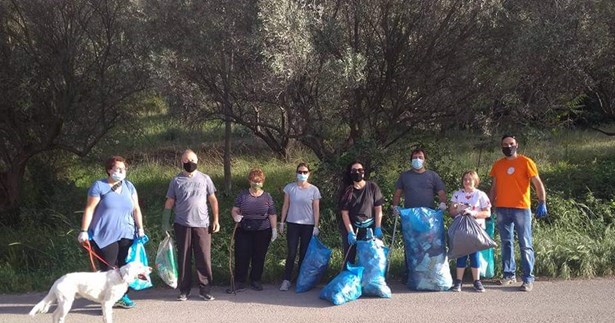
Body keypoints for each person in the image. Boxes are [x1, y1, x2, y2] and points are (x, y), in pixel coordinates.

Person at [78, 155, 145, 309]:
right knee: (108, 270)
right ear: (109, 170)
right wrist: (84, 231)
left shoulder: (129, 186)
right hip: (104, 235)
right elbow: (89, 209)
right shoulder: (99, 186)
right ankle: (106, 301)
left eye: (123, 168)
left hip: (127, 233)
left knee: (125, 268)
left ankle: (122, 296)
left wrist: (140, 228)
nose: (121, 171)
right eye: (117, 169)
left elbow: (136, 209)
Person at [489, 134, 547, 292]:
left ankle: (528, 279)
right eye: (505, 145)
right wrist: (490, 205)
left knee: (525, 244)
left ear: (516, 145)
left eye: (511, 144)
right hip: (501, 207)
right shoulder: (498, 165)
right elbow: (494, 187)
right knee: (506, 242)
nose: (508, 147)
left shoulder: (526, 162)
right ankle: (509, 275)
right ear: (501, 147)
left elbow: (537, 183)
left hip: (521, 208)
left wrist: (542, 201)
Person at [162, 149, 220, 301]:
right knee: (184, 258)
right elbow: (169, 202)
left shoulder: (205, 179)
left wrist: (216, 220)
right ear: (182, 162)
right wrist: (165, 222)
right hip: (182, 224)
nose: (190, 164)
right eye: (186, 161)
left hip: (202, 224)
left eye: (192, 160)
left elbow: (213, 199)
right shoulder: (176, 181)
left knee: (203, 257)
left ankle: (205, 289)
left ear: (197, 161)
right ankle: (184, 290)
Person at [391, 148, 447, 280]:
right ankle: (410, 273)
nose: (417, 160)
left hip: (429, 218)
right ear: (411, 160)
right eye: (415, 157)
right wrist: (395, 206)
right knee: (410, 244)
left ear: (424, 159)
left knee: (428, 245)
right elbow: (398, 193)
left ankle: (429, 273)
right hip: (410, 217)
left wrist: (443, 204)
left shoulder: (432, 176)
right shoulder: (405, 176)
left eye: (420, 157)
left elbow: (441, 193)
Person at [228, 167, 278, 293]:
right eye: (254, 181)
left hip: (263, 230)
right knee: (241, 256)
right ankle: (240, 281)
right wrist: (236, 216)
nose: (256, 184)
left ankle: (256, 280)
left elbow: (272, 214)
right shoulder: (243, 195)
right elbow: (234, 209)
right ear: (249, 181)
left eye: (259, 181)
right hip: (244, 229)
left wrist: (274, 229)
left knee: (259, 256)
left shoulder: (267, 197)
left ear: (263, 182)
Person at [278, 163, 322, 291]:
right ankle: (286, 279)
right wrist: (282, 222)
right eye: (300, 172)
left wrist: (316, 225)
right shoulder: (290, 188)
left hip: (308, 225)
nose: (302, 174)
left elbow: (316, 209)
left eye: (305, 172)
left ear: (309, 173)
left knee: (304, 253)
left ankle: (301, 280)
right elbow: (285, 205)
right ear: (296, 173)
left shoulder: (314, 190)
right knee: (291, 252)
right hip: (293, 223)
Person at [448, 170, 492, 292]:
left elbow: (487, 212)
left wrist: (474, 213)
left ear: (475, 181)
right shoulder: (457, 194)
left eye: (470, 179)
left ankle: (476, 281)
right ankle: (458, 281)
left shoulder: (481, 195)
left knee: (474, 254)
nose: (467, 182)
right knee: (461, 254)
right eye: (465, 179)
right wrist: (458, 210)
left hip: (476, 229)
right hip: (461, 229)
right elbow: (451, 212)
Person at [338, 161, 385, 265]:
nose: (357, 172)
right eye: (354, 170)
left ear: (364, 172)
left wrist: (377, 227)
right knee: (349, 257)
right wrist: (350, 232)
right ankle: (348, 277)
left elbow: (378, 209)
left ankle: (368, 279)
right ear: (350, 173)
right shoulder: (347, 191)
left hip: (369, 228)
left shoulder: (372, 187)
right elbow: (344, 213)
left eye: (360, 170)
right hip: (352, 226)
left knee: (370, 257)